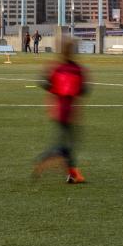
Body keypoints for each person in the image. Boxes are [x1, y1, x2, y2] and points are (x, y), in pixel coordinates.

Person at [33, 38, 88, 183]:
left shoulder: (57, 68)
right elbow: (84, 90)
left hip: (58, 109)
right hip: (70, 111)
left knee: (66, 142)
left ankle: (71, 174)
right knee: (68, 144)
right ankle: (47, 158)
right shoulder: (77, 69)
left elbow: (42, 81)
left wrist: (55, 90)